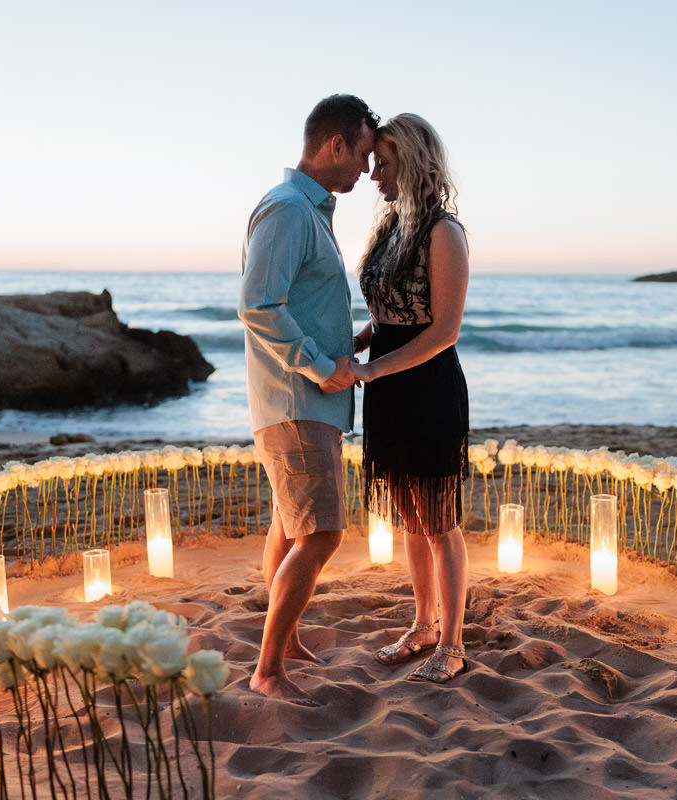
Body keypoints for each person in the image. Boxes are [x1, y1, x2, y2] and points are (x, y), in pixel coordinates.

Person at [239, 94, 378, 705]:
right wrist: (322, 368)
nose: (367, 172)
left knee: (291, 528)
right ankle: (267, 671)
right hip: (296, 402)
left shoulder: (309, 212)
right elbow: (259, 305)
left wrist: (356, 342)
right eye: (364, 155)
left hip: (303, 402)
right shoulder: (290, 211)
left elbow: (300, 307)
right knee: (321, 535)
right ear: (337, 145)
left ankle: (286, 644)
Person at [352, 114, 471, 683]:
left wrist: (369, 371)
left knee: (440, 520)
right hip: (388, 384)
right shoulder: (390, 229)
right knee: (410, 516)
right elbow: (389, 314)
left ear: (413, 162)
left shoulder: (443, 232)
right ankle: (423, 623)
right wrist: (360, 343)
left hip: (426, 387)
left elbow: (443, 329)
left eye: (385, 162)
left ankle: (452, 643)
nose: (374, 173)